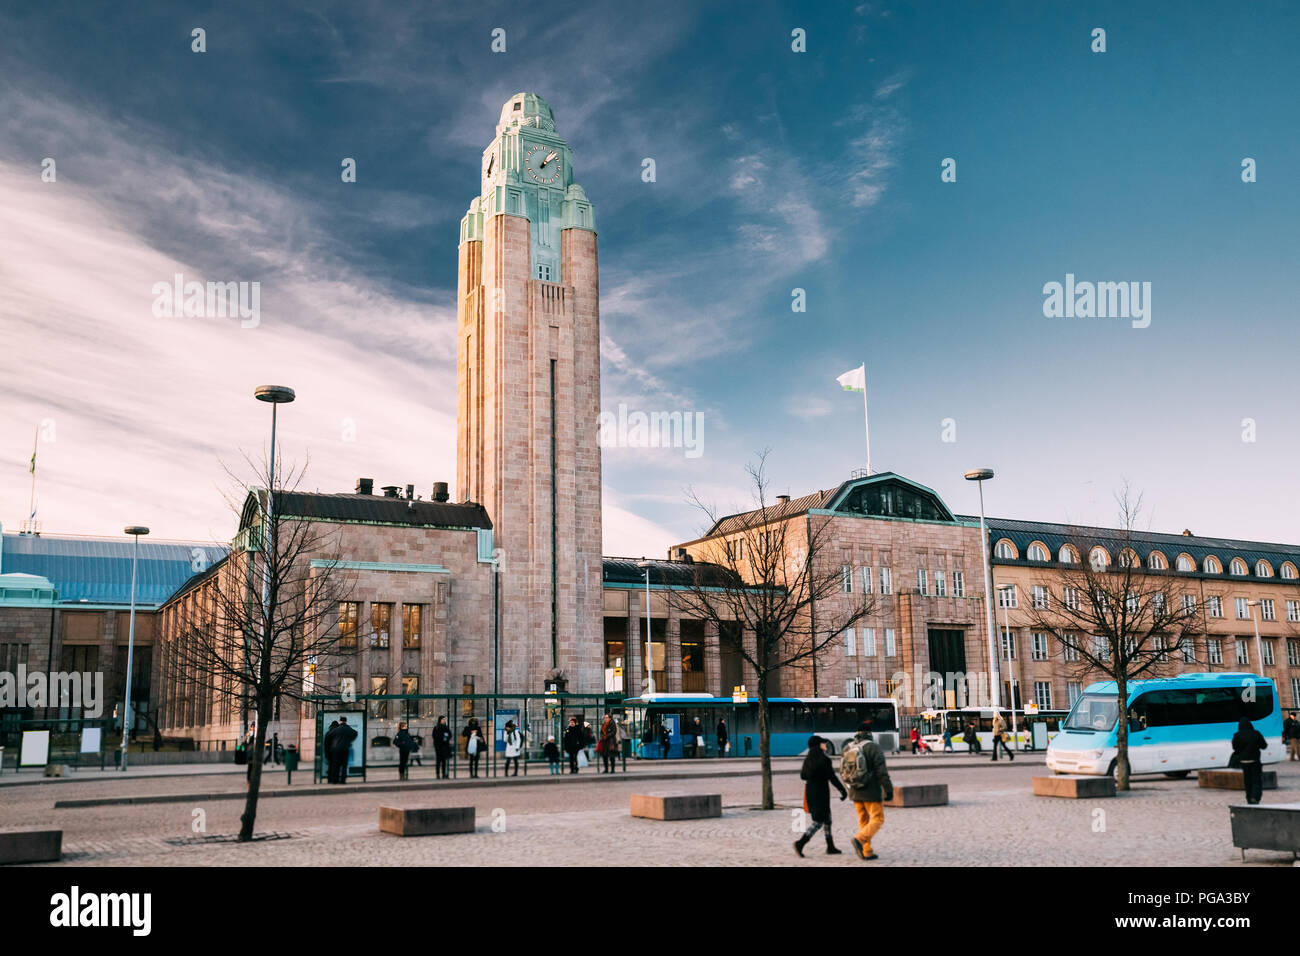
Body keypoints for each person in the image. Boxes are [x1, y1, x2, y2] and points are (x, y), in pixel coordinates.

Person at [842, 720, 893, 861]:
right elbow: (882, 772)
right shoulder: (873, 748)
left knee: (863, 821)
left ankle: (867, 851)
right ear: (870, 733)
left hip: (855, 790)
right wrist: (888, 790)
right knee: (878, 819)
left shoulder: (848, 747)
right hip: (871, 791)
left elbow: (844, 770)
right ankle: (859, 839)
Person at [794, 736, 847, 857]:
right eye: (823, 743)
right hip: (821, 793)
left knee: (827, 819)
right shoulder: (824, 759)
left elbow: (803, 776)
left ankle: (830, 846)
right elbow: (832, 777)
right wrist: (842, 790)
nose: (825, 744)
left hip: (811, 792)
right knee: (818, 822)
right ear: (818, 745)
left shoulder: (808, 759)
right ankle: (800, 843)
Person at [1232, 717, 1268, 805]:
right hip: (1255, 760)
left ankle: (1248, 798)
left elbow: (1235, 748)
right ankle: (1255, 797)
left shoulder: (1237, 735)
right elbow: (1264, 745)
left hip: (1244, 761)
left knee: (1247, 780)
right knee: (1256, 780)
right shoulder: (1256, 733)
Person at [331, 717, 358, 784]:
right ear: (346, 721)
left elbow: (330, 735)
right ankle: (343, 780)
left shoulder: (337, 729)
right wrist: (350, 740)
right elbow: (355, 733)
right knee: (344, 765)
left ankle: (335, 780)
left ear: (340, 721)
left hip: (336, 749)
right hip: (345, 748)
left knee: (336, 764)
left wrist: (334, 741)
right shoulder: (348, 728)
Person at [323, 719, 340, 784]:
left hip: (329, 752)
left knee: (330, 766)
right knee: (336, 766)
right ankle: (335, 779)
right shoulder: (338, 733)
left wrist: (326, 753)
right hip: (336, 752)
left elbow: (325, 744)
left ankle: (329, 779)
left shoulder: (328, 733)